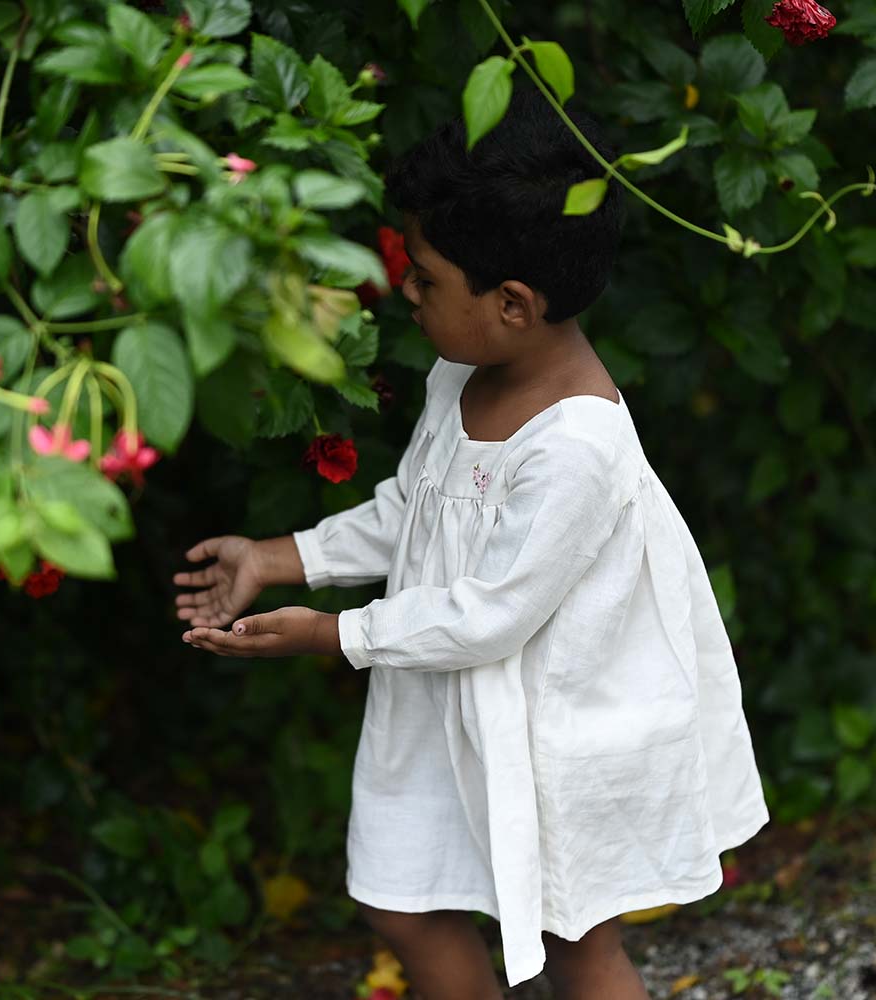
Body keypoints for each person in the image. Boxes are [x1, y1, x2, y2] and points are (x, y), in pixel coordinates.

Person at [174, 86, 770, 1000]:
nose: (404, 290)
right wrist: (276, 556)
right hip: (443, 708)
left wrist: (334, 633)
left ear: (514, 303)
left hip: (558, 728)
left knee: (575, 940)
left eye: (425, 277)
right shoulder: (461, 371)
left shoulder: (576, 446)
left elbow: (492, 614)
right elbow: (415, 509)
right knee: (405, 903)